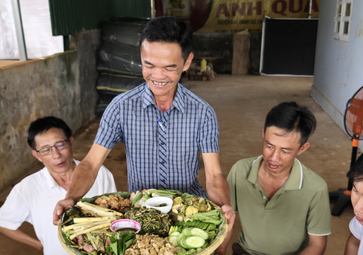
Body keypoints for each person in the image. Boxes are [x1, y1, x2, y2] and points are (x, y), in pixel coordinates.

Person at [52, 17, 234, 232]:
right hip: (140, 215)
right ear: (141, 57)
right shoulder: (120, 108)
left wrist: (224, 206)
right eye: (149, 65)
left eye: (169, 68)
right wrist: (71, 198)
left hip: (188, 215)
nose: (157, 76)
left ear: (186, 62)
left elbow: (214, 175)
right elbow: (91, 163)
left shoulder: (203, 113)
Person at [205, 102, 331, 255]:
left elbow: (317, 244)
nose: (274, 157)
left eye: (285, 151)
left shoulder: (316, 187)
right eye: (269, 146)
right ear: (263, 134)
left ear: (302, 148)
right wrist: (220, 251)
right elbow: (227, 218)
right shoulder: (240, 170)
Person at [0, 116, 116, 255]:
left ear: (71, 142)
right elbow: (0, 223)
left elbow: (115, 215)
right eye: (46, 150)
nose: (56, 155)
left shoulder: (100, 174)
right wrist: (39, 245)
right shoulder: (27, 188)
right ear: (37, 155)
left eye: (60, 145)